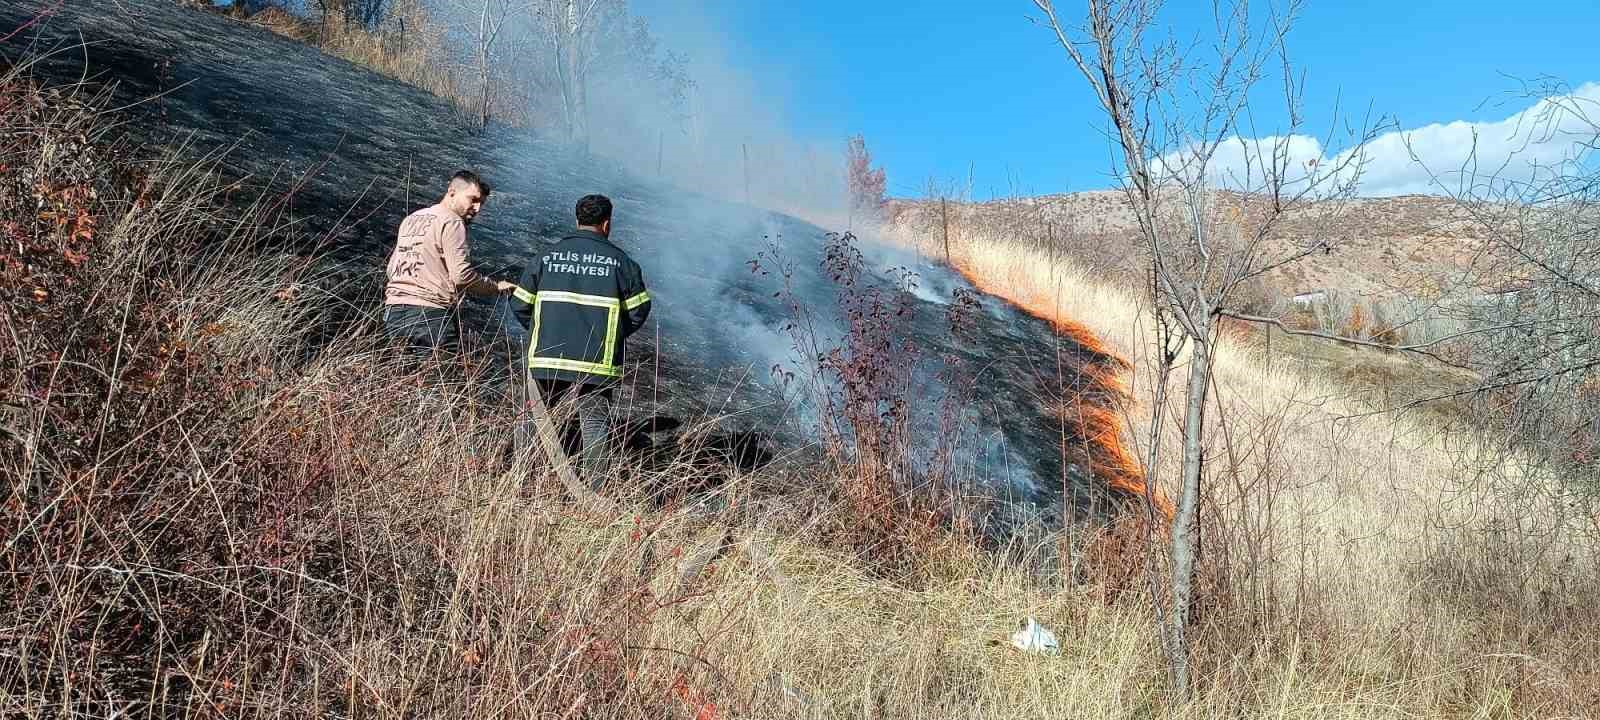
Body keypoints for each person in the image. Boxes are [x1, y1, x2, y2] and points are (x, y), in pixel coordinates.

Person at [509, 194, 651, 485]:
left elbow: (520, 304)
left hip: (547, 355)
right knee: (595, 423)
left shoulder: (546, 257)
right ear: (607, 224)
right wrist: (611, 335)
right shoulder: (622, 263)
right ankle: (593, 491)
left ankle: (521, 482)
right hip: (598, 361)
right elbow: (638, 311)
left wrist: (542, 330)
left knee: (534, 418)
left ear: (576, 220)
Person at [382, 170, 516, 354]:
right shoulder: (452, 221)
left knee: (403, 375)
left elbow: (391, 269)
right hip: (430, 314)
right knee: (440, 378)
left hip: (394, 311)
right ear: (452, 192)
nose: (477, 209)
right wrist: (496, 287)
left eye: (481, 204)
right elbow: (461, 276)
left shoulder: (411, 219)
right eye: (473, 200)